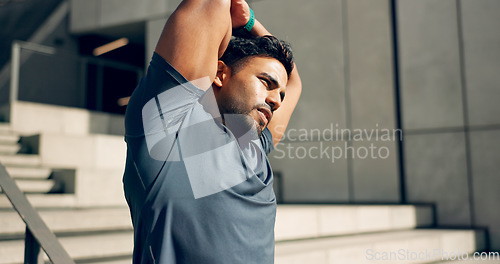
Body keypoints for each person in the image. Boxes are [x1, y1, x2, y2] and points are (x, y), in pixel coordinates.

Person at [123, 0, 302, 263]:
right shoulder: (170, 132)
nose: (276, 100)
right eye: (266, 82)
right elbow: (211, 6)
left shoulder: (254, 146)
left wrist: (250, 22)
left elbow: (294, 83)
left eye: (279, 94)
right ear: (220, 73)